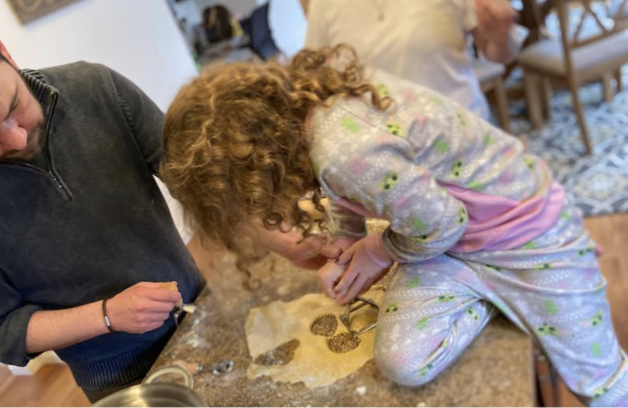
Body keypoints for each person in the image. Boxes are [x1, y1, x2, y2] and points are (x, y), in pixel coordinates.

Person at [160, 45, 628, 406]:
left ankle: (518, 299)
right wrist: (347, 238)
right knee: (401, 361)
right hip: (453, 246)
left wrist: (376, 250)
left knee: (598, 382)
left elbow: (444, 222)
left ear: (258, 173)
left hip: (527, 234)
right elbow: (351, 192)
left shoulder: (344, 152)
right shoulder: (313, 126)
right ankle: (492, 300)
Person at [0, 0, 209, 402]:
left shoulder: (97, 87)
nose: (14, 139)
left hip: (201, 309)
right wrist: (107, 315)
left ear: (1, 48)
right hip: (119, 374)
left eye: (13, 106)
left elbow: (198, 179)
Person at [304, 0, 521, 119]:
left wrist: (501, 34)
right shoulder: (324, 4)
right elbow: (313, 71)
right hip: (381, 148)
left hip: (460, 127)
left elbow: (501, 54)